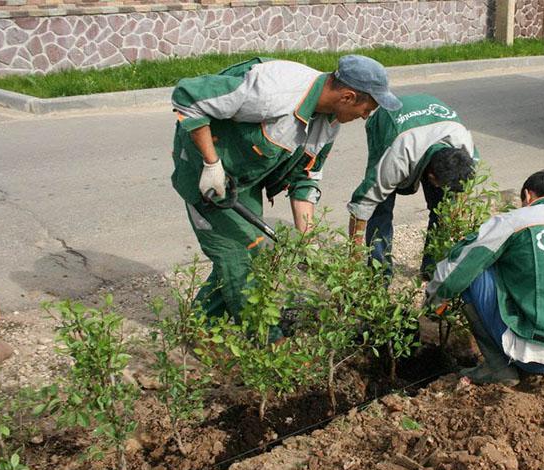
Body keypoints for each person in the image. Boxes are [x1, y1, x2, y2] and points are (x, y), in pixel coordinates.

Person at [170, 55, 400, 320]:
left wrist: (307, 241)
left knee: (251, 255)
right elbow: (188, 95)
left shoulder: (328, 123)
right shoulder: (273, 90)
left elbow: (305, 177)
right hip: (206, 173)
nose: (364, 117)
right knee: (242, 253)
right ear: (347, 97)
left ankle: (201, 326)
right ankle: (267, 340)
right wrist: (211, 164)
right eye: (367, 109)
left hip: (244, 177)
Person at [425, 170, 544, 386]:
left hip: (535, 356)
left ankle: (498, 368)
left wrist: (433, 303)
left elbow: (460, 265)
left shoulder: (516, 220)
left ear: (528, 195)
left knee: (475, 268)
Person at [347, 93, 477, 280]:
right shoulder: (396, 157)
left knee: (444, 209)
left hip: (435, 122)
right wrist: (354, 257)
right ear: (431, 177)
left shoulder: (465, 148)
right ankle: (379, 275)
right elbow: (362, 204)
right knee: (380, 208)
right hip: (390, 121)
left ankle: (431, 270)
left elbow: (460, 197)